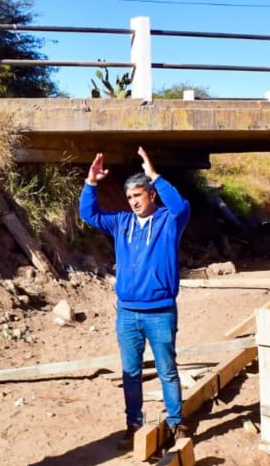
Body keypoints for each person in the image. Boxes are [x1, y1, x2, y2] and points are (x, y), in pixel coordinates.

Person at [80, 145, 192, 444]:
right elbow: (87, 213)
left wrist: (154, 175)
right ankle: (133, 425)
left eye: (138, 196)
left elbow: (182, 206)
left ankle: (176, 423)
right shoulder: (121, 223)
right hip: (127, 313)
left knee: (167, 370)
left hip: (160, 311)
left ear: (150, 195)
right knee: (131, 372)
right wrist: (91, 182)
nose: (133, 203)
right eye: (129, 198)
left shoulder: (169, 220)